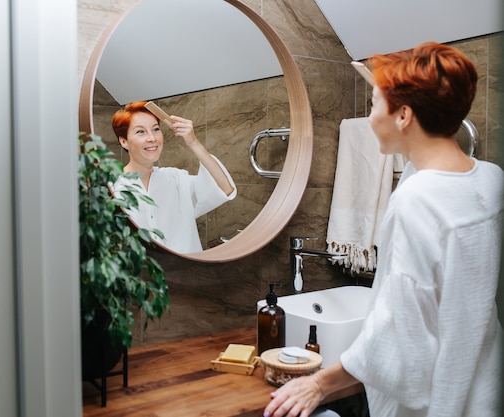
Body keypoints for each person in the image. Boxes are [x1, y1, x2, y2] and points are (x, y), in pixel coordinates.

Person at [264, 42, 503, 417]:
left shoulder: (417, 201)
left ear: (404, 115)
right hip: (484, 383)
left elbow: (397, 335)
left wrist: (317, 384)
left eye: (375, 103)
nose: (371, 117)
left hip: (437, 400)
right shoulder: (489, 180)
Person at [111, 101, 236, 254]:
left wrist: (193, 142)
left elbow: (225, 188)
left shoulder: (175, 178)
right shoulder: (114, 187)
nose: (152, 138)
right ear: (124, 141)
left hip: (187, 274)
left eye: (156, 129)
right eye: (140, 132)